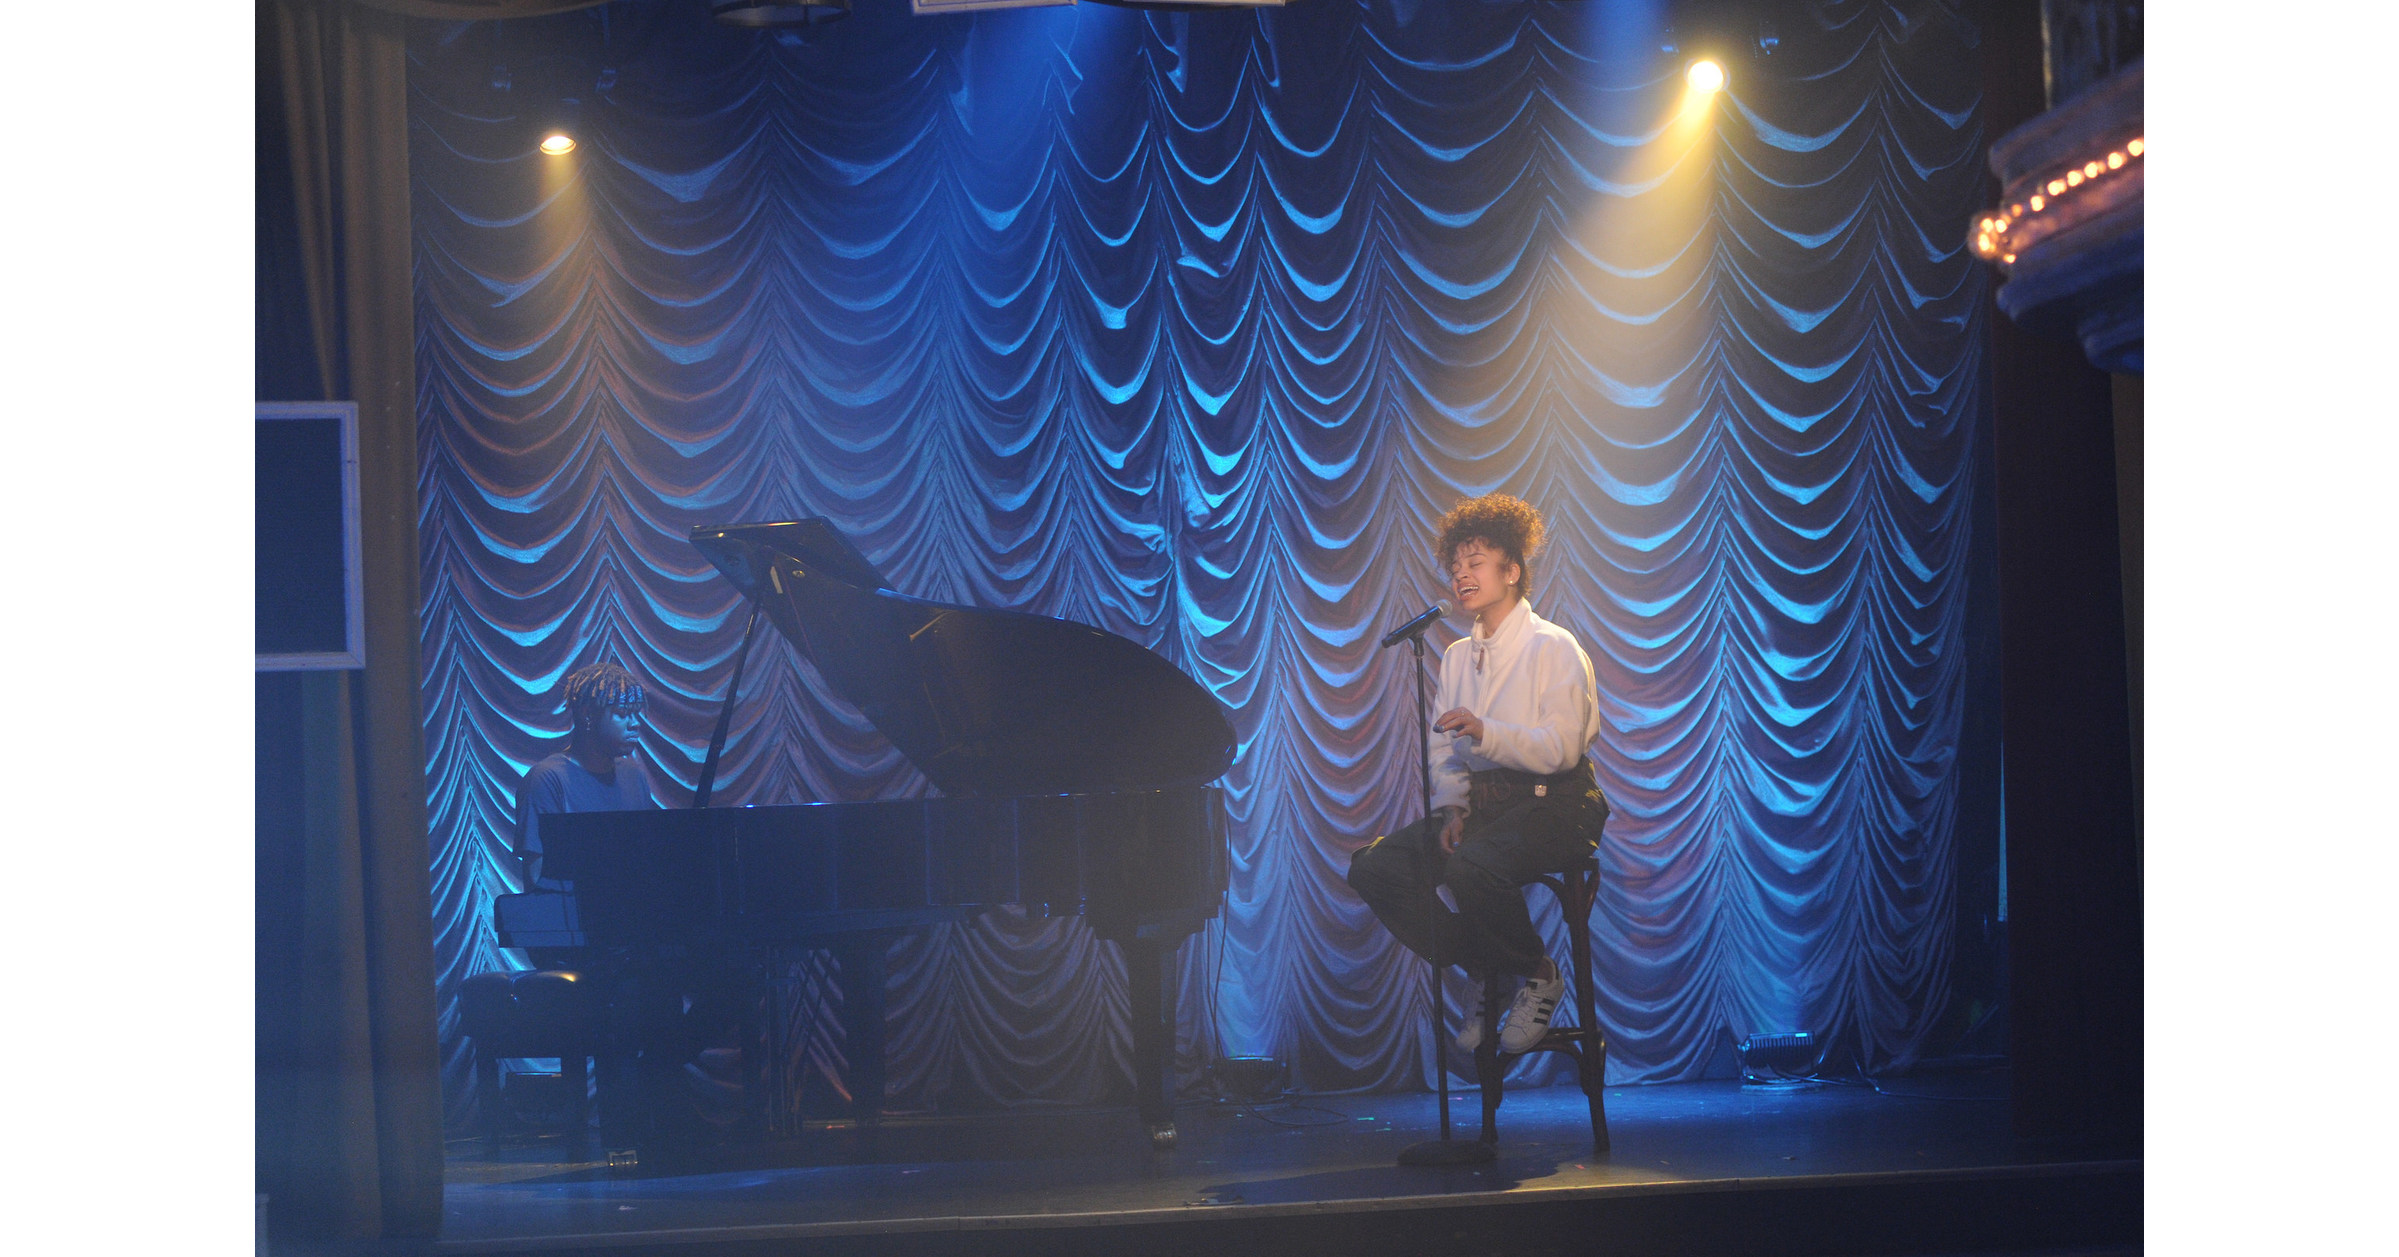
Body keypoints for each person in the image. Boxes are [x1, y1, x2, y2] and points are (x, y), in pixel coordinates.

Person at [1347, 493, 1609, 1055]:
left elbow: (1562, 749)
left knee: (1472, 865)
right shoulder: (1457, 655)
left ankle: (1537, 973)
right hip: (1491, 808)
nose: (1461, 575)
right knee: (1374, 867)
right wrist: (1454, 808)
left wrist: (1487, 730)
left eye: (1476, 562)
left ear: (1511, 571)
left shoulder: (1553, 646)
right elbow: (1446, 747)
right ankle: (1488, 967)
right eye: (1455, 566)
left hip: (1559, 803)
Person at [516, 661, 656, 891]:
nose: (635, 724)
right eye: (623, 714)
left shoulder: (634, 776)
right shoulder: (547, 779)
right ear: (587, 714)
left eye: (635, 714)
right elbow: (537, 875)